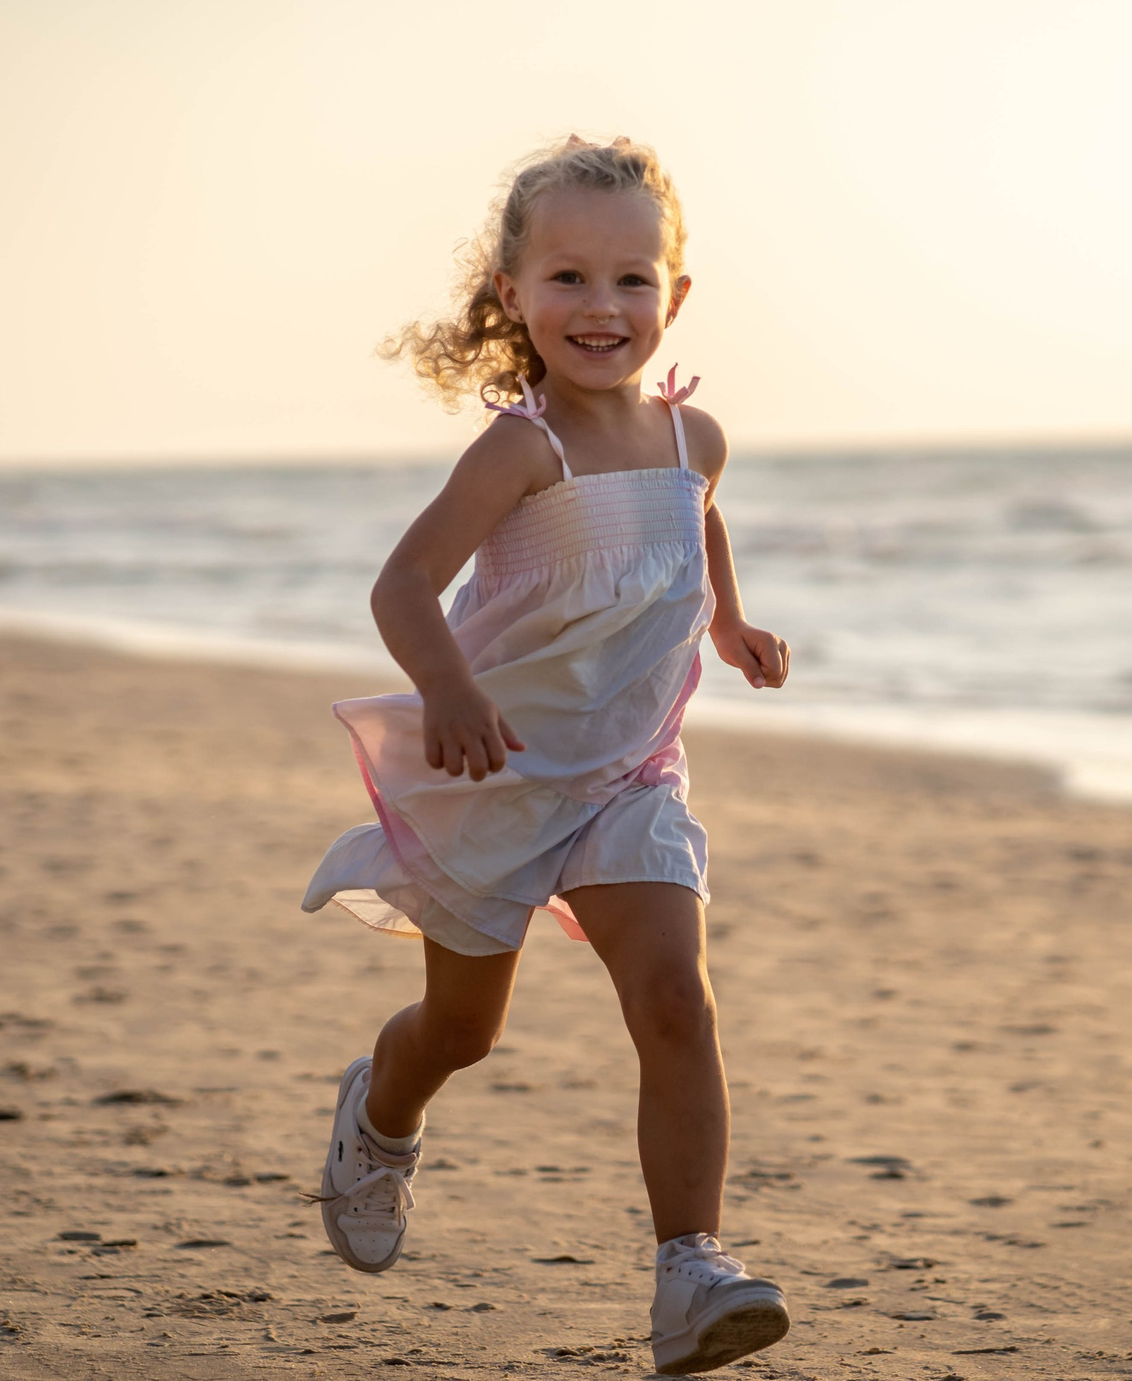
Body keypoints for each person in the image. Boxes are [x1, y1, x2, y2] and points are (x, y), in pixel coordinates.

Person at [300, 137, 793, 1374]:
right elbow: (404, 583)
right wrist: (450, 690)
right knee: (465, 1029)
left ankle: (691, 1268)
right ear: (511, 294)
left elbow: (700, 516)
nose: (601, 306)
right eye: (568, 277)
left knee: (676, 1000)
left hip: (631, 773)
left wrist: (725, 618)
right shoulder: (523, 452)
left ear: (673, 299)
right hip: (498, 769)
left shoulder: (696, 441)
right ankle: (383, 1113)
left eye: (633, 280)